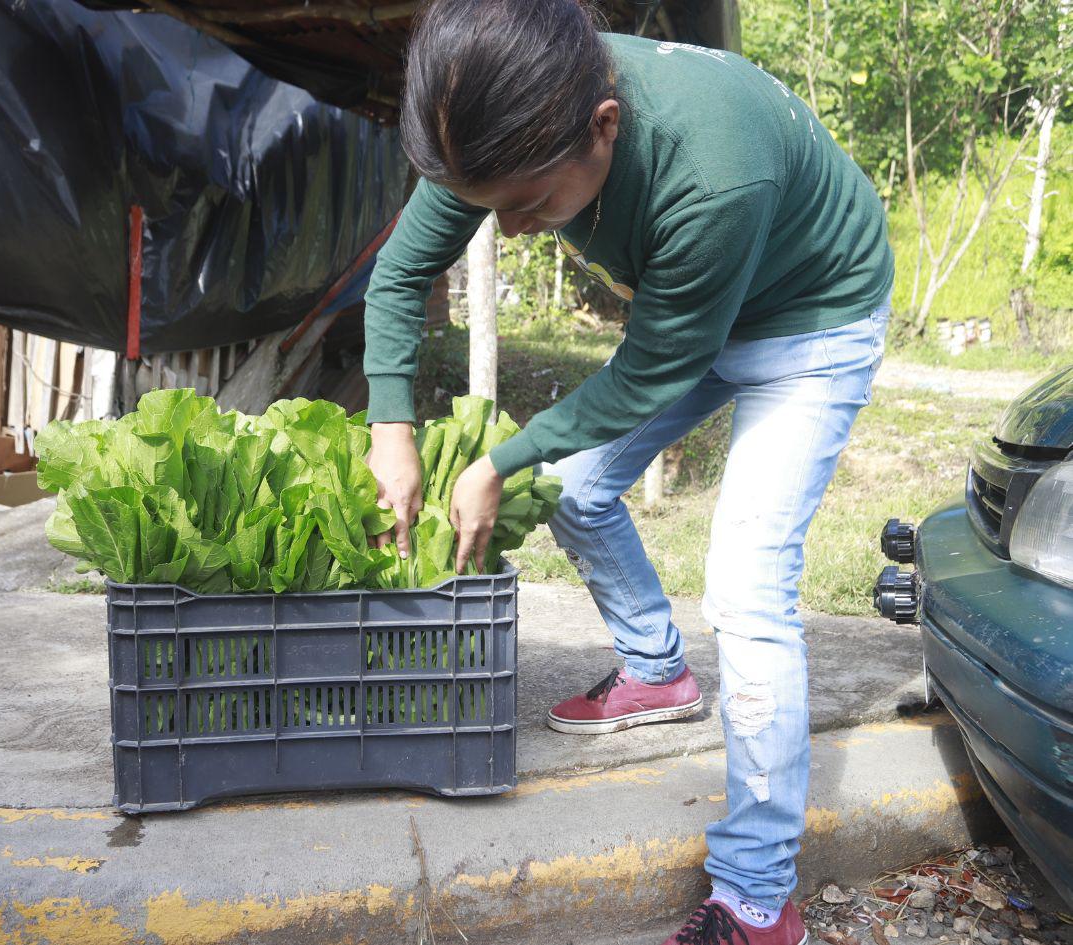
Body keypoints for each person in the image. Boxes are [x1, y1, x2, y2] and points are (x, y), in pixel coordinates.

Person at [362, 0, 893, 942]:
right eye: (493, 209)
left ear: (604, 126)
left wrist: (500, 459)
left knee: (747, 586)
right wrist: (391, 426)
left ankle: (758, 902)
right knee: (574, 484)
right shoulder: (494, 113)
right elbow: (402, 273)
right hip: (701, 310)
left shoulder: (713, 166)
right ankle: (657, 671)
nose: (515, 230)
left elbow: (653, 369)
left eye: (530, 205)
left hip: (812, 319)